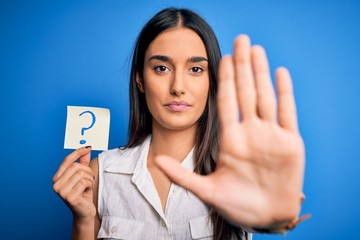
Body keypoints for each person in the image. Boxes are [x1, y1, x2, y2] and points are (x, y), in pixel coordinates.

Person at [52, 7, 308, 240]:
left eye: (195, 70)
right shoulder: (100, 174)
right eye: (162, 68)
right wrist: (84, 220)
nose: (177, 87)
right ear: (140, 79)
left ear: (212, 80)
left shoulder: (237, 172)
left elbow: (265, 218)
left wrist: (276, 220)